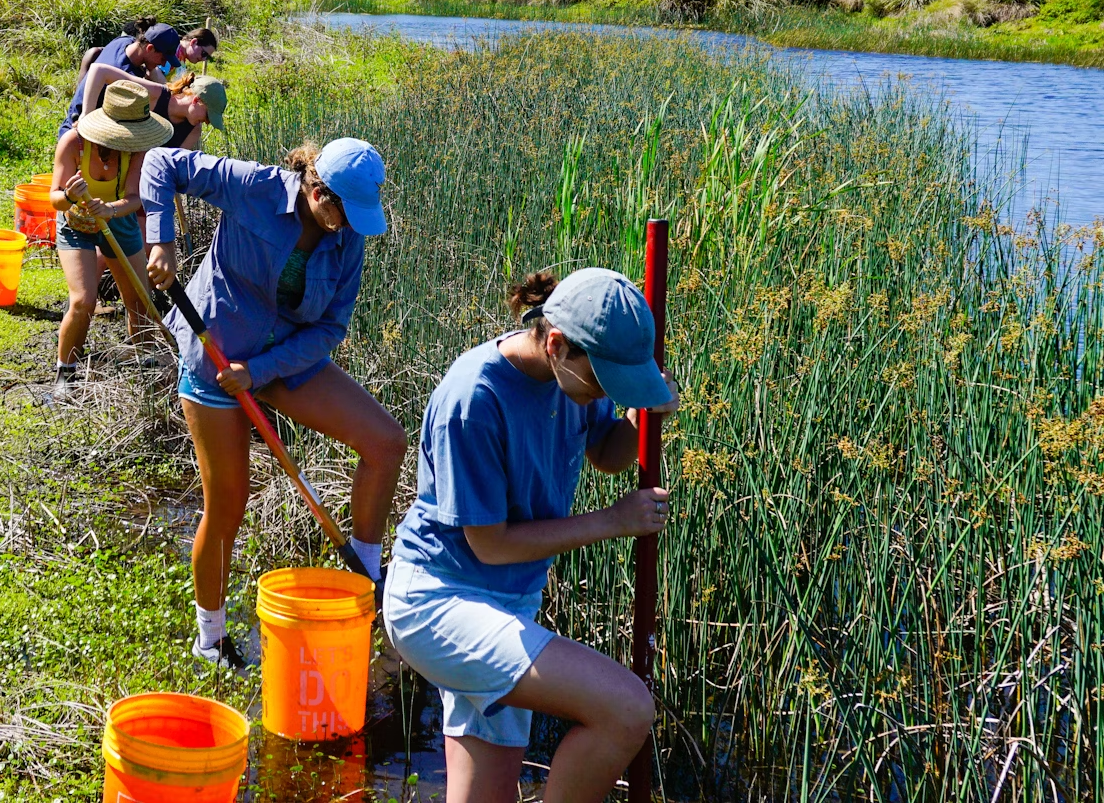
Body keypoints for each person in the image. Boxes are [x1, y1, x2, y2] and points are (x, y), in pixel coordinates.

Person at [383, 267, 680, 803]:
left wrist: (640, 414)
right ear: (558, 344)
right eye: (604, 381)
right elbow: (489, 544)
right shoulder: (474, 399)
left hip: (509, 602)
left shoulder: (571, 379)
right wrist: (612, 522)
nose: (603, 395)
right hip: (438, 601)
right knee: (625, 709)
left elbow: (606, 454)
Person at [140, 138, 407, 669]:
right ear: (315, 189)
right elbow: (159, 163)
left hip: (281, 362)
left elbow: (331, 326)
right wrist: (161, 241)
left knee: (387, 442)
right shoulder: (256, 187)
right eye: (340, 212)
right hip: (215, 356)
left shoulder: (347, 238)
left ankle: (365, 577)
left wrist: (260, 372)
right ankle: (210, 639)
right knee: (227, 506)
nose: (346, 226)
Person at [50, 81, 176, 382]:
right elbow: (54, 198)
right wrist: (68, 195)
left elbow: (135, 198)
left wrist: (111, 210)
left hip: (118, 222)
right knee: (83, 302)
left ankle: (146, 368)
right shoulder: (74, 144)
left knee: (139, 299)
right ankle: (65, 376)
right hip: (76, 223)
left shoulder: (136, 152)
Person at [75, 59, 227, 154]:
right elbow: (99, 70)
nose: (207, 122)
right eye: (208, 115)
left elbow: (171, 164)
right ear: (196, 100)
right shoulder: (155, 94)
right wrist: (86, 115)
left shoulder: (193, 131)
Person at [63, 22, 181, 130]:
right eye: (163, 58)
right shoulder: (124, 78)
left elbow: (153, 73)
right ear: (150, 48)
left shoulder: (125, 41)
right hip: (79, 129)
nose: (163, 64)